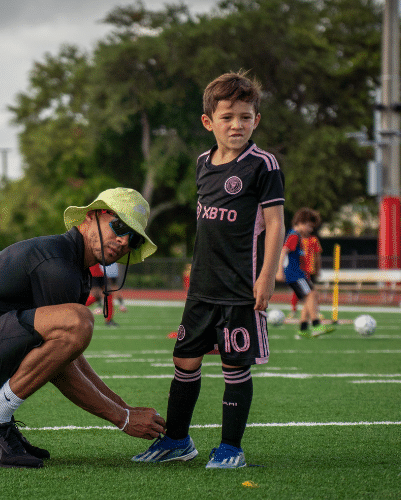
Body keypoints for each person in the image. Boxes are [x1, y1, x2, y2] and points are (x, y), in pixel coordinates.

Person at [0, 187, 165, 469]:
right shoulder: (57, 263)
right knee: (79, 320)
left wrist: (124, 407)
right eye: (120, 227)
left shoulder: (73, 263)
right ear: (93, 216)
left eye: (134, 239)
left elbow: (66, 352)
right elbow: (62, 362)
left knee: (77, 323)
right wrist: (122, 418)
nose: (124, 241)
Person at [133, 71, 285, 469]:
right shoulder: (203, 163)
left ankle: (231, 447)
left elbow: (276, 224)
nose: (237, 124)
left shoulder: (263, 165)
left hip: (240, 288)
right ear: (208, 122)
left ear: (256, 120)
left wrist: (267, 276)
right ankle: (177, 440)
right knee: (184, 361)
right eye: (228, 116)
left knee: (235, 366)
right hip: (201, 287)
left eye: (246, 117)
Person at [277, 208, 334, 338]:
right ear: (301, 222)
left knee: (311, 296)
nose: (311, 230)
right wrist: (279, 271)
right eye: (309, 226)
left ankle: (303, 328)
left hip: (300, 274)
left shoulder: (296, 236)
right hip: (295, 274)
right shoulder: (294, 235)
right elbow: (283, 251)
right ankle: (316, 324)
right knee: (311, 295)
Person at [289, 230, 323, 319]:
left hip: (310, 270)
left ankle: (314, 311)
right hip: (300, 270)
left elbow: (317, 255)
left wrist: (318, 269)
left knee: (311, 292)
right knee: (299, 292)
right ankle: (294, 310)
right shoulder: (296, 239)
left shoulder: (314, 240)